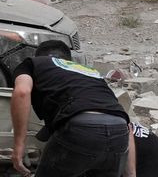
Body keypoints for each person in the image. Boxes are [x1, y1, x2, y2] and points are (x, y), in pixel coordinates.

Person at [10, 40, 132, 177]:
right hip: (119, 130)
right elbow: (128, 127)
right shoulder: (90, 72)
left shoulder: (33, 63)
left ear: (38, 56)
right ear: (69, 59)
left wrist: (19, 146)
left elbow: (22, 92)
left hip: (81, 128)